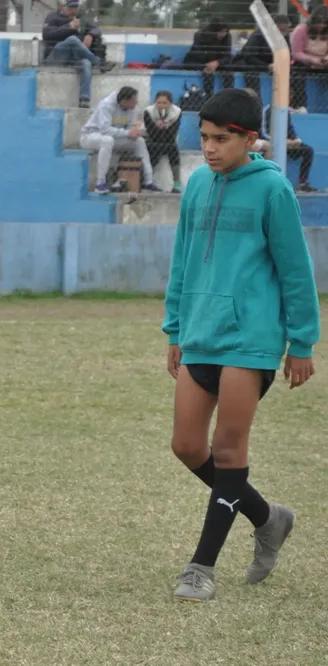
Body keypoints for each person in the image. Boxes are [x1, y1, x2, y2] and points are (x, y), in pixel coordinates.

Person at [162, 88, 320, 602]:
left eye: (221, 139)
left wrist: (302, 341)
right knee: (187, 446)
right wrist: (175, 329)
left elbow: (295, 269)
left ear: (250, 140)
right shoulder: (197, 184)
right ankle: (268, 517)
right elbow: (183, 259)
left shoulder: (273, 189)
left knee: (229, 450)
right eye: (204, 138)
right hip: (200, 334)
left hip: (251, 339)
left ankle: (200, 569)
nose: (209, 148)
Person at [79, 86, 163, 194]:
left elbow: (130, 128)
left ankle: (148, 181)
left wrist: (136, 132)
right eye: (134, 100)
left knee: (139, 141)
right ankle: (100, 183)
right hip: (90, 136)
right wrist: (128, 133)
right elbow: (105, 130)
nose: (136, 102)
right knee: (107, 140)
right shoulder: (106, 105)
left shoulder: (131, 108)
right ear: (124, 101)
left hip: (114, 138)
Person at [41, 0, 115, 108]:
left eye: (75, 8)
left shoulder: (81, 19)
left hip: (73, 59)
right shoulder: (53, 17)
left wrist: (90, 34)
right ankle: (100, 63)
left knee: (86, 63)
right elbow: (47, 35)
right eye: (71, 8)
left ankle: (84, 99)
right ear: (63, 7)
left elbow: (97, 29)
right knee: (72, 39)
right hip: (55, 57)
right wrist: (68, 27)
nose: (73, 10)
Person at [234, 14, 292, 105]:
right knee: (255, 75)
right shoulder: (259, 34)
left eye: (285, 30)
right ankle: (257, 103)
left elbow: (287, 54)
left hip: (271, 66)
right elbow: (249, 56)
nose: (283, 33)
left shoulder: (284, 36)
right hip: (250, 64)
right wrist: (267, 66)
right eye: (280, 30)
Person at [260, 104, 320, 193]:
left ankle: (303, 183)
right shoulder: (266, 110)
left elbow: (289, 128)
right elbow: (263, 133)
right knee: (268, 149)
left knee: (308, 150)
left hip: (287, 144)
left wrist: (295, 140)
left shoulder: (286, 111)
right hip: (270, 143)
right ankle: (266, 183)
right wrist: (281, 141)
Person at [181, 17, 236, 98]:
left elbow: (228, 56)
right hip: (199, 61)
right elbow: (197, 54)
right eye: (220, 32)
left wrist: (217, 63)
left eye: (224, 32)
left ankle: (228, 95)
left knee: (229, 69)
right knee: (208, 70)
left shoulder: (227, 36)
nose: (222, 34)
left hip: (217, 62)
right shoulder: (200, 35)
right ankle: (208, 96)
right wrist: (210, 64)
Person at [142, 90, 183, 193]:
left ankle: (177, 183)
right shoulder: (148, 112)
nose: (161, 106)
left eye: (165, 103)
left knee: (173, 148)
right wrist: (158, 127)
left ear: (170, 104)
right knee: (154, 148)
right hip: (151, 139)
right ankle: (147, 180)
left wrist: (164, 126)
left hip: (169, 141)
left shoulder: (177, 112)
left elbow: (172, 133)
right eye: (159, 102)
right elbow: (151, 133)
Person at [289, 8, 328, 112]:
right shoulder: (301, 30)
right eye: (318, 22)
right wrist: (311, 59)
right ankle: (300, 105)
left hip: (324, 62)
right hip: (304, 63)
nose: (321, 26)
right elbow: (296, 53)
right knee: (297, 72)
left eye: (324, 23)